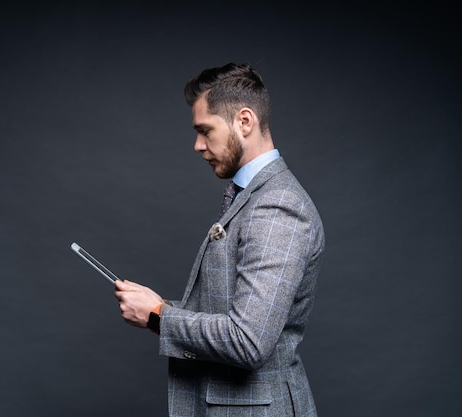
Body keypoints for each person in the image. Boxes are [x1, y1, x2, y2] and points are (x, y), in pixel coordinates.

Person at [114, 63, 325, 417]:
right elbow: (227, 313)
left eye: (205, 131)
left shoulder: (278, 204)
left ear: (245, 121)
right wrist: (156, 307)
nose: (197, 145)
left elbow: (248, 340)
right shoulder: (254, 195)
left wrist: (159, 316)